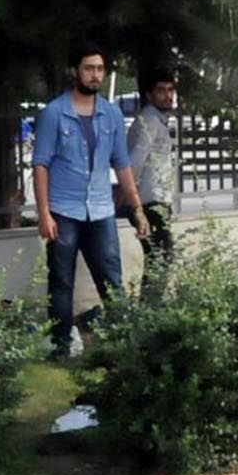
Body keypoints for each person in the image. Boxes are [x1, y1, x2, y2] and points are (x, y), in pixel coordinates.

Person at [32, 43, 149, 357]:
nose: (95, 75)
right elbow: (40, 165)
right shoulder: (54, 113)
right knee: (61, 282)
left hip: (100, 210)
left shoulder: (110, 113)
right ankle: (61, 346)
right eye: (89, 68)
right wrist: (44, 213)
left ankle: (124, 343)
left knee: (112, 281)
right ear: (75, 71)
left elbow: (122, 164)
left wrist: (137, 207)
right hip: (63, 210)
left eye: (99, 69)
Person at [124, 67, 178, 286]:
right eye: (161, 91)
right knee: (161, 257)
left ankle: (151, 309)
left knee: (159, 256)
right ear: (149, 94)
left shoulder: (157, 119)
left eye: (170, 90)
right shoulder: (150, 120)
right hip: (149, 200)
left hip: (157, 198)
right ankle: (151, 309)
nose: (168, 95)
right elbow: (136, 159)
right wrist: (129, 193)